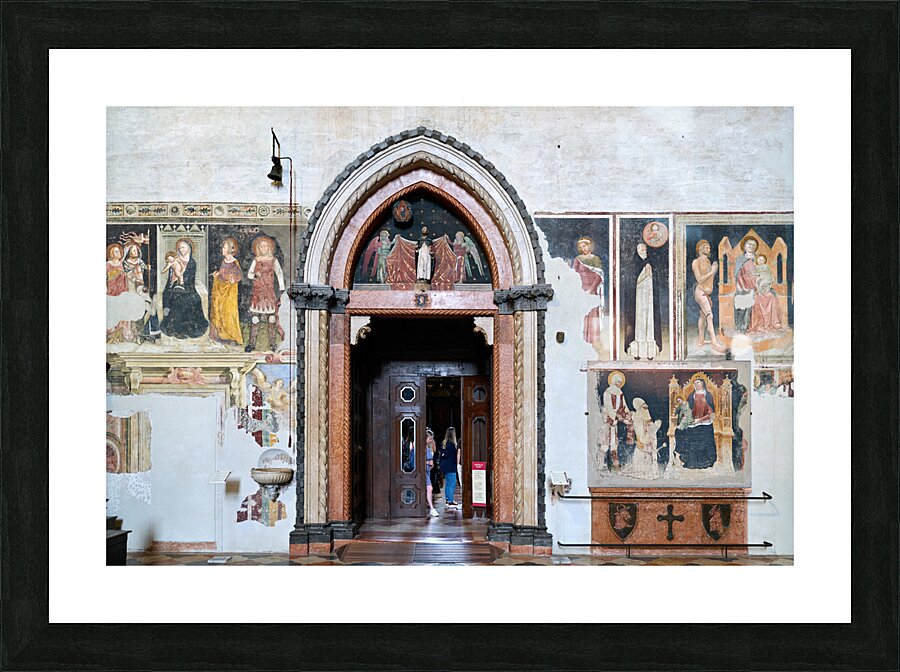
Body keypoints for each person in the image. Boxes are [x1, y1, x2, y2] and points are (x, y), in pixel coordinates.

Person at [160, 238, 208, 339]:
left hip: (188, 288)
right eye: (179, 247)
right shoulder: (175, 260)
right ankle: (177, 330)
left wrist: (183, 285)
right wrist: (174, 283)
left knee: (193, 300)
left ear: (189, 248)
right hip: (174, 287)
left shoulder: (192, 263)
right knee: (175, 297)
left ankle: (189, 329)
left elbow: (190, 278)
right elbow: (170, 277)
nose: (181, 249)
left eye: (183, 247)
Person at [245, 236, 285, 352]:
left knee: (271, 318)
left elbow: (279, 274)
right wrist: (255, 275)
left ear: (269, 248)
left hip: (269, 291)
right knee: (255, 318)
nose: (263, 248)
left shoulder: (273, 260)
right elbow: (249, 274)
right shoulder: (256, 260)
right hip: (258, 292)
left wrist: (282, 287)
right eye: (261, 246)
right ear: (258, 248)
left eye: (265, 246)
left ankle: (272, 344)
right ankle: (251, 344)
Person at [626, 242, 662, 360]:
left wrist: (649, 270)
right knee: (639, 321)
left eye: (645, 250)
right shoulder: (634, 265)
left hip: (649, 298)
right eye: (641, 250)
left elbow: (653, 279)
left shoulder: (651, 264)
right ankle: (637, 352)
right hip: (638, 299)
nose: (643, 252)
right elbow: (633, 280)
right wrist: (644, 271)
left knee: (650, 320)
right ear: (637, 251)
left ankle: (650, 352)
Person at [673, 378, 718, 469]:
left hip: (705, 423)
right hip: (693, 422)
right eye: (694, 383)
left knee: (704, 443)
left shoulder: (708, 395)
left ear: (702, 383)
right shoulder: (692, 396)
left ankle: (705, 462)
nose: (696, 385)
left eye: (698, 383)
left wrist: (700, 420)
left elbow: (711, 414)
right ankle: (691, 462)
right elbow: (688, 410)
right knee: (691, 441)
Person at [691, 239, 726, 352]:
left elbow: (710, 280)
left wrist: (713, 270)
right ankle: (715, 343)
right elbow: (700, 280)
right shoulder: (696, 262)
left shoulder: (708, 262)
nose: (709, 249)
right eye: (706, 247)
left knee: (703, 315)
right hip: (700, 292)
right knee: (709, 315)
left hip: (707, 294)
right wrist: (712, 271)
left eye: (709, 247)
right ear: (700, 249)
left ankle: (701, 340)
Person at [209, 237, 244, 345]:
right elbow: (222, 275)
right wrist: (217, 275)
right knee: (219, 311)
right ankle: (220, 335)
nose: (222, 250)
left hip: (229, 294)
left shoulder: (234, 262)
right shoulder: (224, 261)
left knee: (229, 313)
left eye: (224, 248)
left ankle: (231, 336)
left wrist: (232, 279)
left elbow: (238, 276)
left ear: (230, 249)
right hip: (220, 292)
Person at [571, 236, 605, 347]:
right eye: (581, 247)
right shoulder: (578, 259)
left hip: (592, 291)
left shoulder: (596, 259)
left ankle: (592, 340)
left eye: (585, 246)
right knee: (582, 315)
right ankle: (582, 339)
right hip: (581, 290)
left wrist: (591, 289)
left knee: (592, 315)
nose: (583, 249)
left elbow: (599, 276)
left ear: (589, 246)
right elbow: (573, 274)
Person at [598, 371, 631, 472]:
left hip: (615, 423)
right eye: (617, 382)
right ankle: (600, 465)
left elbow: (624, 406)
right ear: (613, 381)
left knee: (614, 444)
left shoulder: (620, 393)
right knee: (604, 445)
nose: (619, 384)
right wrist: (618, 417)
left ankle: (616, 466)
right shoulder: (607, 393)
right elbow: (608, 408)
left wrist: (628, 415)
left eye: (620, 382)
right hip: (607, 422)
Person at [623, 398, 660, 480]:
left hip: (648, 446)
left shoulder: (645, 417)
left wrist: (654, 427)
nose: (646, 410)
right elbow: (643, 438)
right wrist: (654, 428)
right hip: (643, 447)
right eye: (644, 408)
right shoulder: (638, 420)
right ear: (639, 408)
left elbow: (650, 427)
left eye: (646, 408)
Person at [748, 254, 783, 333]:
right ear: (757, 261)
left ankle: (772, 322)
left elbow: (770, 275)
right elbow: (754, 274)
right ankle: (761, 323)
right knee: (759, 285)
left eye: (762, 259)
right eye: (759, 259)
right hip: (760, 282)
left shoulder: (766, 266)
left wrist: (769, 281)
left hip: (767, 280)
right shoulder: (756, 267)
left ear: (764, 261)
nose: (761, 261)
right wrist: (756, 276)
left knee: (769, 293)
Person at [733, 237, 759, 333]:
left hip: (755, 285)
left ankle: (750, 326)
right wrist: (741, 285)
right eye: (749, 244)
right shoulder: (740, 259)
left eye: (753, 245)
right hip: (742, 285)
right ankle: (741, 326)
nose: (751, 246)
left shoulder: (757, 258)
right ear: (744, 246)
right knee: (742, 302)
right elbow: (737, 274)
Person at [439, 427, 461, 509]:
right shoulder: (451, 444)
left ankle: (448, 500)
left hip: (445, 466)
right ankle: (451, 501)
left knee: (448, 483)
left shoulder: (444, 443)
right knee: (452, 483)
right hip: (451, 466)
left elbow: (442, 454)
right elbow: (450, 455)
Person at [425, 428, 439, 517]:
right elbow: (416, 461)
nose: (431, 440)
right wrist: (427, 462)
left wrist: (431, 464)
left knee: (428, 489)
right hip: (422, 472)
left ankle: (430, 507)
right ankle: (432, 508)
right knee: (429, 488)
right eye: (430, 438)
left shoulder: (428, 447)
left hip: (427, 471)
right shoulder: (420, 448)